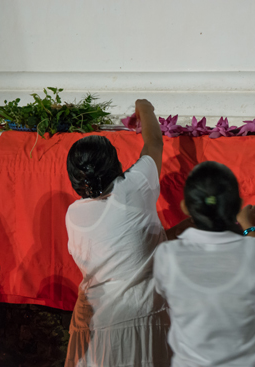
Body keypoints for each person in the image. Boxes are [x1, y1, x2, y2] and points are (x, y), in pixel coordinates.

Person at [64, 99, 188, 367]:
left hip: (93, 321)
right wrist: (145, 107)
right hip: (137, 318)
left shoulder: (73, 215)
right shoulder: (132, 188)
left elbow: (129, 246)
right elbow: (154, 142)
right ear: (115, 164)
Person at [153, 161, 255, 367]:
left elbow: (163, 289)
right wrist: (249, 228)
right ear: (237, 205)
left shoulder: (167, 255)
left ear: (185, 207)